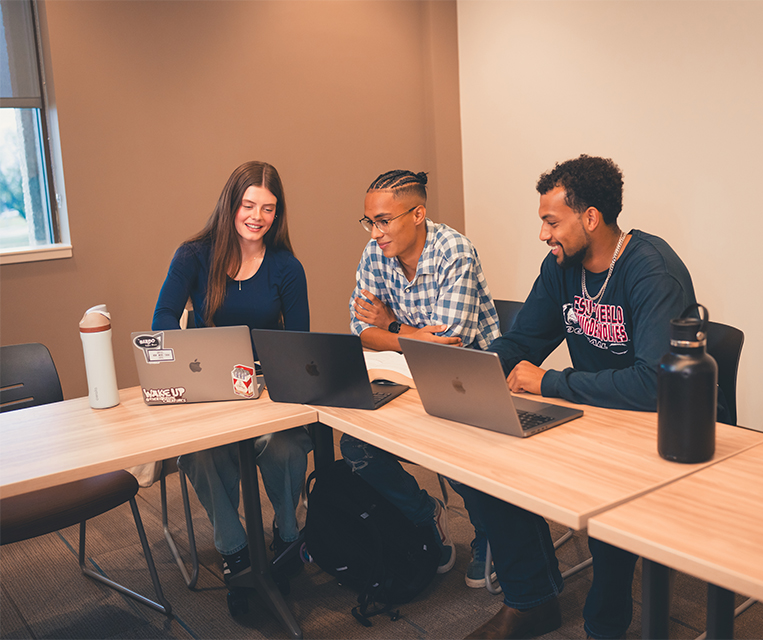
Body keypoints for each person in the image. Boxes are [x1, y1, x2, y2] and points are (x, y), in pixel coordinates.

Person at [463, 155, 698, 639]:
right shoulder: (561, 268)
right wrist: (472, 372)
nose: (543, 235)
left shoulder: (651, 272)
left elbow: (655, 385)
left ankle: (604, 625)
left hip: (663, 427)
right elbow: (523, 341)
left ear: (590, 217)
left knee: (607, 503)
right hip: (594, 415)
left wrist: (550, 383)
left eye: (552, 222)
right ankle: (531, 601)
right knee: (482, 461)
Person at [152, 161, 312, 586]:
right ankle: (233, 548)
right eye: (248, 205)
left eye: (268, 208)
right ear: (230, 204)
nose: (257, 217)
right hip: (212, 392)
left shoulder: (286, 267)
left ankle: (288, 533)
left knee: (285, 449)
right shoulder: (194, 255)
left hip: (268, 393)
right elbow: (163, 316)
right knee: (200, 454)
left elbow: (298, 341)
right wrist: (189, 354)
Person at [341, 169, 501, 587]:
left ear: (417, 214)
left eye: (383, 220)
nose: (375, 232)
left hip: (468, 382)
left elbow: (447, 344)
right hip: (407, 381)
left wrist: (392, 325)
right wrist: (408, 336)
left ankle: (491, 533)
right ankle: (426, 514)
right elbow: (360, 330)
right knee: (355, 446)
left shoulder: (454, 252)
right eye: (369, 222)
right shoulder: (374, 253)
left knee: (448, 451)